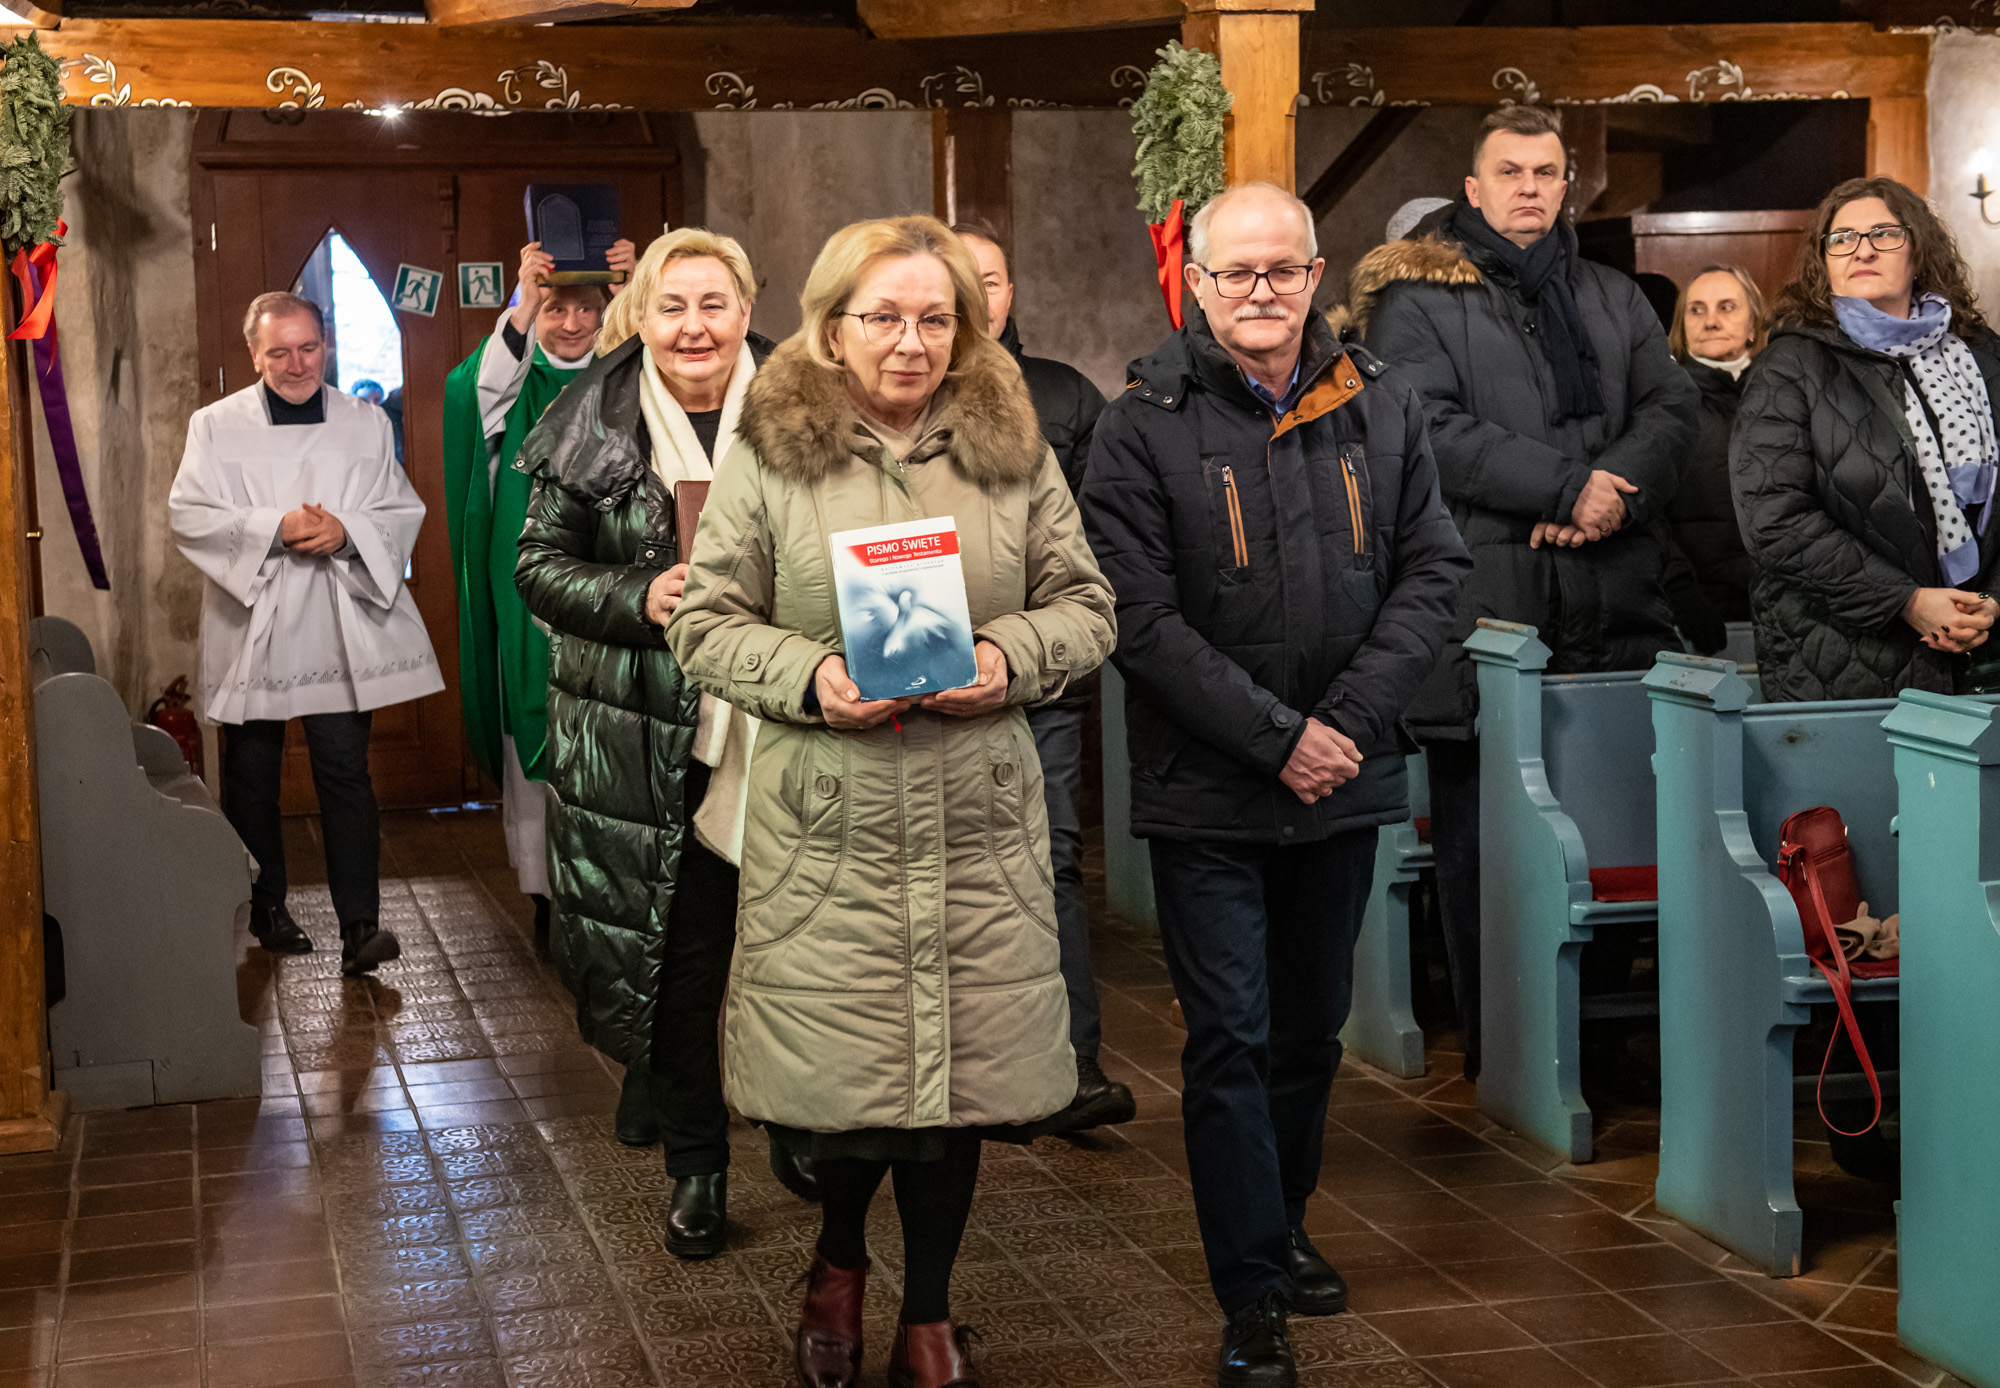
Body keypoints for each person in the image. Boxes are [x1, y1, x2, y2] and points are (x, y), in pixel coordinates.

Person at [668, 214, 1115, 1388]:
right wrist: (809, 676)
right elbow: (704, 622)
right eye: (883, 316)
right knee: (851, 1090)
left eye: (934, 318)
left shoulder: (1011, 448)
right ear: (832, 326)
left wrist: (1006, 657)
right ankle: (837, 1260)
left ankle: (927, 1312)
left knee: (957, 1089)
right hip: (833, 819)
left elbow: (1086, 605)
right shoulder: (771, 453)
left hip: (974, 811)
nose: (909, 342)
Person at [1084, 183, 1469, 1388]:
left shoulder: (1380, 401)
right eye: (1235, 272)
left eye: (1281, 270)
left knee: (1307, 1029)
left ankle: (1285, 1219)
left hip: (1339, 775)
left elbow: (1433, 571)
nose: (1260, 291)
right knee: (1230, 1037)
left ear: (1315, 276)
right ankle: (1249, 1288)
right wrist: (1273, 736)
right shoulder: (1138, 423)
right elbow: (1136, 617)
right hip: (1207, 786)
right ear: (1196, 285)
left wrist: (1339, 726)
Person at [1349, 105, 1697, 1083]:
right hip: (1488, 609)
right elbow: (1425, 425)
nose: (1529, 187)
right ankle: (1503, 1048)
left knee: (1610, 820)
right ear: (1473, 187)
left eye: (1545, 172)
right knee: (1487, 845)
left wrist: (1609, 494)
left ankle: (1600, 1048)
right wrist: (1562, 488)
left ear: (1565, 186)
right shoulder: (1418, 300)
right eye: (1510, 171)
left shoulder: (1610, 294)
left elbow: (1671, 408)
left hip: (1612, 597)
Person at [513, 229, 820, 1255]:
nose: (694, 327)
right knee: (682, 963)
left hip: (786, 723)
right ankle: (697, 1161)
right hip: (646, 733)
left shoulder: (813, 406)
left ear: (747, 311)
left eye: (713, 304)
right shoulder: (581, 422)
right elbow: (537, 568)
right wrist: (639, 594)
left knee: (793, 952)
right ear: (638, 315)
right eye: (672, 305)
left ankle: (798, 1121)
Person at [170, 292, 443, 974]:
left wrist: (346, 531)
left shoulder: (365, 421)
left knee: (345, 772)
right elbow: (190, 515)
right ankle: (266, 907)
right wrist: (277, 527)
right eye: (279, 352)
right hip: (255, 618)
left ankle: (361, 927)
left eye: (309, 348)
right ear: (253, 355)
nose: (297, 365)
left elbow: (398, 507)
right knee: (253, 774)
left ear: (326, 346)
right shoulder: (215, 426)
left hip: (335, 619)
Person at [952, 221, 1133, 1133]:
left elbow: (1099, 542)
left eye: (991, 279)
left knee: (1052, 859)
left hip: (1039, 677)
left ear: (1010, 292)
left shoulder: (1062, 395)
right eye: (960, 278)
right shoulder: (892, 394)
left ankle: (1073, 1064)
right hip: (922, 679)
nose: (976, 296)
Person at [1732, 176, 2000, 701]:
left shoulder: (1982, 355)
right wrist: (1906, 600)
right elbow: (1772, 518)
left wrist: (1991, 600)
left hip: (1983, 652)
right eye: (1842, 238)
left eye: (1884, 233)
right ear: (1824, 261)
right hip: (1845, 661)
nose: (1863, 249)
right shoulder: (1790, 365)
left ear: (1919, 250)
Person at [442, 236, 632, 958]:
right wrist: (522, 306)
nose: (573, 323)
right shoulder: (516, 381)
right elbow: (469, 394)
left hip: (615, 581)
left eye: (588, 308)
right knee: (539, 729)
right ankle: (547, 893)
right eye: (557, 309)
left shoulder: (624, 374)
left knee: (615, 734)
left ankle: (612, 895)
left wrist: (638, 292)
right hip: (533, 588)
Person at [1659, 265, 1767, 654]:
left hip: (1782, 602)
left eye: (1727, 307)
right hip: (1699, 610)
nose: (1710, 321)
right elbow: (1647, 509)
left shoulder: (1783, 394)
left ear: (1753, 324)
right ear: (1681, 327)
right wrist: (1679, 588)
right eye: (1696, 310)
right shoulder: (1662, 402)